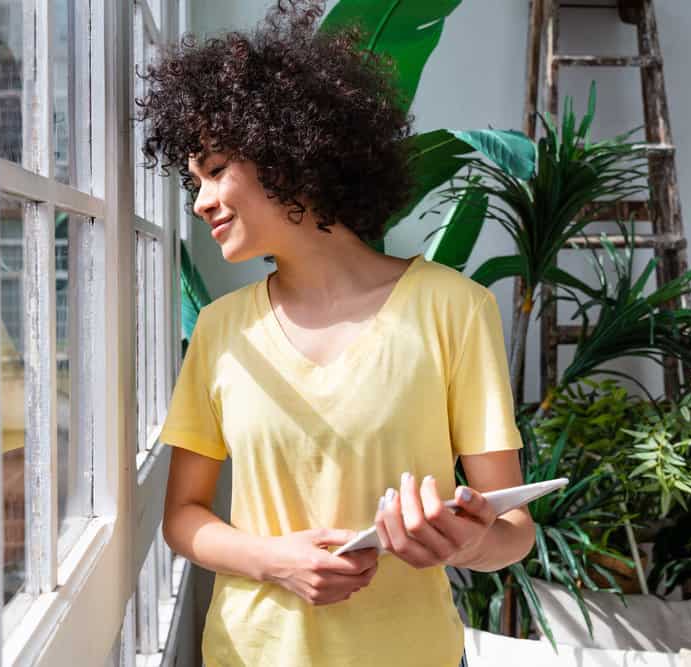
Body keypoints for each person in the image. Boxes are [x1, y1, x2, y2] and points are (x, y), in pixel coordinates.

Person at [136, 1, 535, 664]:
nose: (200, 199)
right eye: (193, 180)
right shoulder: (220, 330)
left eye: (213, 169)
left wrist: (465, 541)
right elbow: (183, 515)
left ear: (283, 150)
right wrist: (274, 561)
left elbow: (515, 530)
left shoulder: (453, 309)